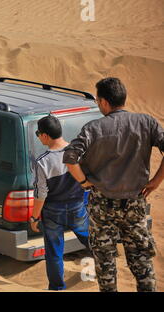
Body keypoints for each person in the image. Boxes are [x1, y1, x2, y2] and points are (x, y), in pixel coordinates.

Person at [63, 77, 164, 292]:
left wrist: (83, 182)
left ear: (104, 102)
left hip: (102, 206)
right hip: (135, 203)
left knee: (105, 260)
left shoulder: (93, 128)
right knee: (142, 259)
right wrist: (156, 181)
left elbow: (70, 158)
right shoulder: (147, 122)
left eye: (98, 100)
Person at [30, 115, 89, 291]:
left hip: (53, 212)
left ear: (45, 136)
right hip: (78, 207)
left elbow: (41, 194)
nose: (38, 137)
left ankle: (57, 288)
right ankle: (105, 268)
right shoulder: (78, 153)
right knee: (92, 241)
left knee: (54, 252)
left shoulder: (42, 162)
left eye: (38, 134)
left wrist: (34, 218)